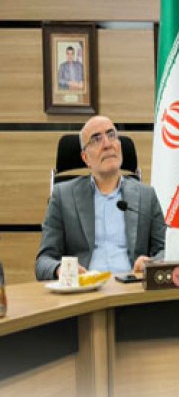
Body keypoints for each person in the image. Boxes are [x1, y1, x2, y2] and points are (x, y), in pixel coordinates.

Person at [36, 116, 166, 281]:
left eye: (111, 135)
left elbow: (166, 250)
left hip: (132, 288)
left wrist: (152, 263)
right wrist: (60, 269)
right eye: (96, 139)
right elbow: (43, 261)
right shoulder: (63, 196)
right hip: (86, 290)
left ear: (119, 146)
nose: (107, 144)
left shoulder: (146, 195)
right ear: (85, 158)